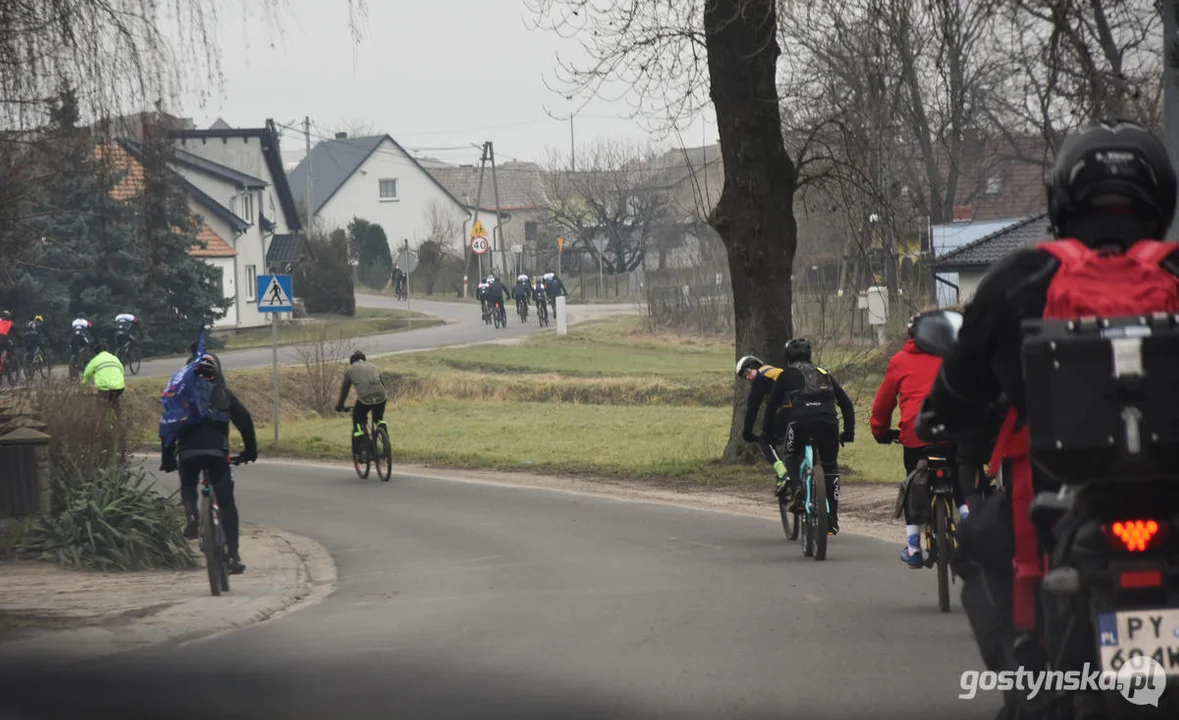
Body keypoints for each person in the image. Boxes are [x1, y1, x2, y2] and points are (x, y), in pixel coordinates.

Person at [921, 119, 1179, 712]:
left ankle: (1029, 684)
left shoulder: (1021, 277)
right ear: (1161, 197)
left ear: (1061, 199)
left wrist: (945, 418)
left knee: (979, 547)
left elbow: (959, 388)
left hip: (1065, 500)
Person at [871, 313, 969, 568]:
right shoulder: (952, 355)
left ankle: (913, 547)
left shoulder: (899, 361)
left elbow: (883, 403)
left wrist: (879, 431)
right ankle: (970, 528)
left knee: (912, 483)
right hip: (952, 430)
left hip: (916, 435)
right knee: (961, 478)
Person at [160, 354, 257, 574]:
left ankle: (193, 514)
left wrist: (167, 458)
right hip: (217, 452)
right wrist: (250, 451)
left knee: (188, 482)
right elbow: (245, 421)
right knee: (227, 503)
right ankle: (233, 556)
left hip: (188, 453)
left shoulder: (180, 396)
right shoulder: (223, 394)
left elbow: (168, 427)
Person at [762, 337, 855, 535]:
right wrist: (848, 433)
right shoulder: (823, 373)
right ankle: (832, 519)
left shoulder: (787, 375)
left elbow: (771, 409)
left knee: (792, 455)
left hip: (800, 422)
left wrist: (768, 433)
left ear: (787, 357)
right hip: (828, 421)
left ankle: (797, 488)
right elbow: (846, 404)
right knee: (830, 466)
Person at [735, 355, 791, 494]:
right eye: (744, 377)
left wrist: (747, 433)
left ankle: (783, 473)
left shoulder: (761, 377)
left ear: (754, 367)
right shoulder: (775, 373)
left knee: (766, 441)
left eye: (747, 373)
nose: (747, 378)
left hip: (786, 410)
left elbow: (752, 409)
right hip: (804, 409)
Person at [335, 350, 388, 458]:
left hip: (365, 400)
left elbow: (345, 389)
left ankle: (361, 447)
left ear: (352, 361)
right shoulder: (373, 366)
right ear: (364, 359)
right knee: (378, 418)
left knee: (357, 418)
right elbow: (382, 384)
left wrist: (340, 405)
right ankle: (385, 439)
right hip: (381, 396)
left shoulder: (350, 370)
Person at [81, 341, 125, 407]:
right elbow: (122, 370)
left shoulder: (95, 360)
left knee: (101, 404)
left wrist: (84, 386)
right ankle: (118, 414)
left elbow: (87, 374)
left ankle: (102, 414)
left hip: (105, 387)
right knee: (114, 400)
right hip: (119, 387)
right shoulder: (114, 358)